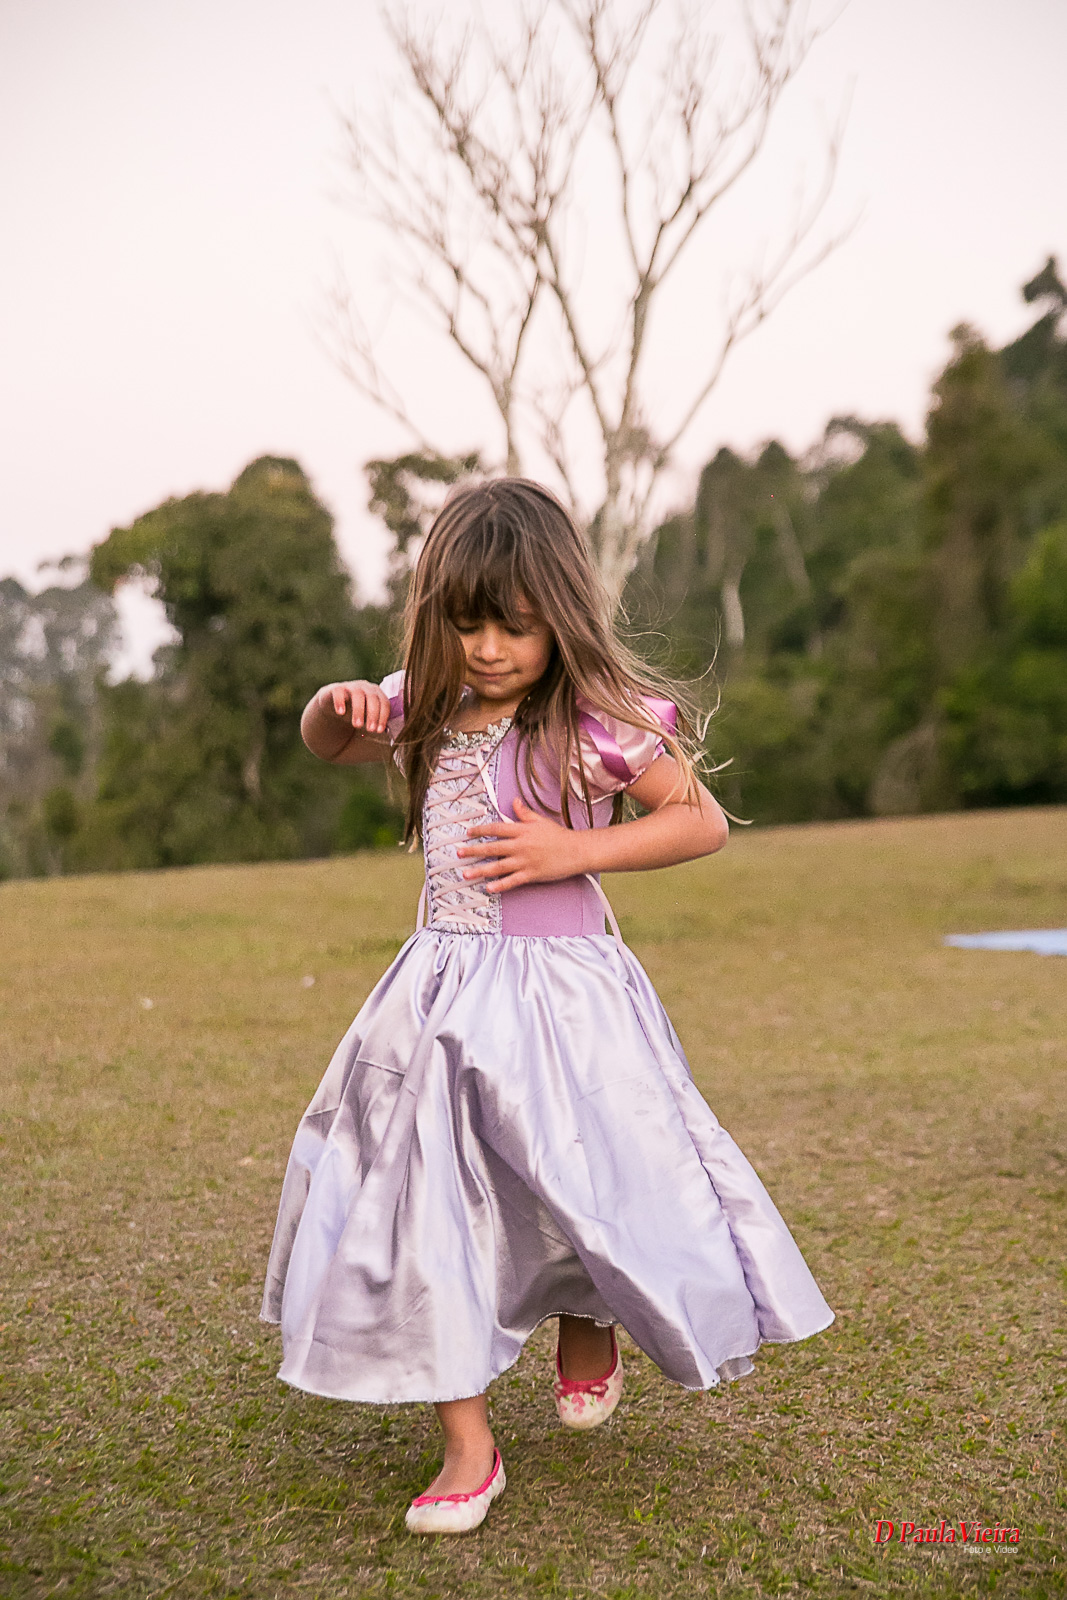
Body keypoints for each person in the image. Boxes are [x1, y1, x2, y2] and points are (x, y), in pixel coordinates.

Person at [261, 478, 833, 1535]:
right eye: (465, 622)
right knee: (420, 1195)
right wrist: (329, 704)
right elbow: (330, 740)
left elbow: (696, 821)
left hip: (566, 1001)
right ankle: (467, 1447)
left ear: (558, 614)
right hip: (435, 997)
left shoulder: (593, 723)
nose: (485, 648)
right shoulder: (424, 707)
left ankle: (585, 1312)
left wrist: (574, 847)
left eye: (512, 626)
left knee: (582, 1178)